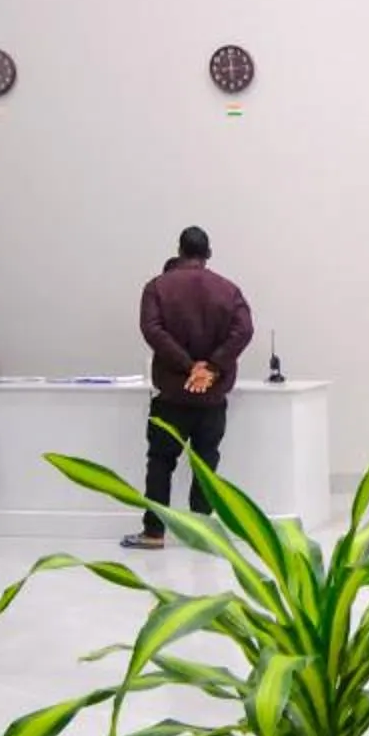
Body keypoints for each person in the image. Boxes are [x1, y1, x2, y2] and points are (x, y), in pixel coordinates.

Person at [124, 225, 253, 550]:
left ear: (179, 250)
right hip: (212, 396)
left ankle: (154, 532)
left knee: (160, 462)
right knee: (206, 463)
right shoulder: (229, 290)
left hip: (170, 394)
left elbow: (151, 329)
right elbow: (244, 330)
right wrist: (211, 367)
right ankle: (202, 533)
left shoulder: (157, 287)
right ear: (208, 254)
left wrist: (187, 366)